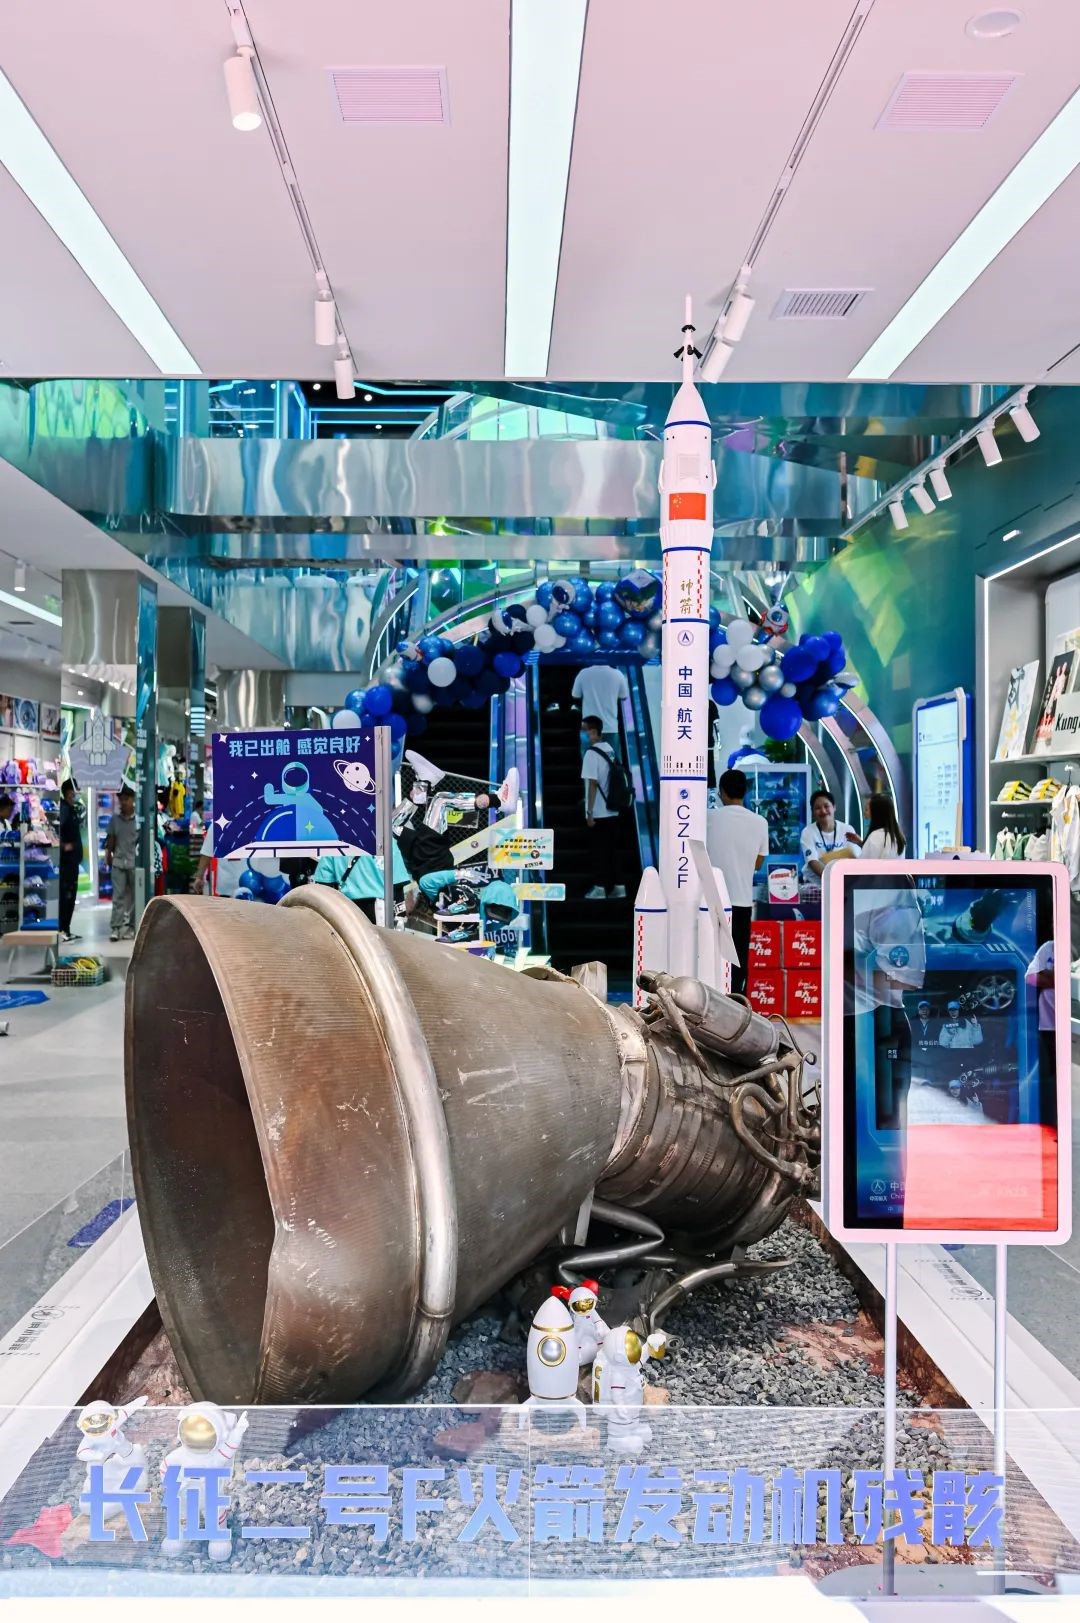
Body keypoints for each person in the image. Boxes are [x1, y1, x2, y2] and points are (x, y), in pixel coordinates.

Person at [705, 767, 769, 995]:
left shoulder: (708, 817)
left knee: (710, 955)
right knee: (738, 958)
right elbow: (758, 862)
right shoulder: (760, 822)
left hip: (711, 900)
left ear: (722, 791)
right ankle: (737, 1004)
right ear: (746, 791)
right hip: (742, 901)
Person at [581, 715, 625, 901]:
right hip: (613, 809)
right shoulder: (610, 749)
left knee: (599, 852)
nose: (582, 734)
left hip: (599, 812)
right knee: (612, 851)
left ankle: (599, 888)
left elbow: (592, 784)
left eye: (584, 730)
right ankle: (619, 886)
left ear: (593, 732)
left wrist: (589, 812)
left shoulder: (591, 754)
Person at [103, 785, 138, 941]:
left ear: (132, 800)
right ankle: (116, 928)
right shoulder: (115, 820)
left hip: (134, 862)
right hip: (118, 862)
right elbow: (111, 839)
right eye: (121, 799)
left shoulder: (138, 820)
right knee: (118, 896)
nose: (123, 802)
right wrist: (108, 855)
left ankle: (132, 926)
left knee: (135, 897)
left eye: (126, 799)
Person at [800, 790, 860, 879]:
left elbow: (853, 858)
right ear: (813, 812)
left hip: (843, 881)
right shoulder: (808, 832)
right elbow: (813, 861)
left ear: (834, 807)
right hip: (816, 884)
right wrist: (833, 879)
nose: (823, 811)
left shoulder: (847, 829)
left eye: (826, 806)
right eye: (818, 808)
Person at [571, 664, 628, 754]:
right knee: (611, 760)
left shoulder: (583, 673)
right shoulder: (618, 674)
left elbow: (575, 695)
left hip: (589, 728)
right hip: (610, 727)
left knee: (589, 759)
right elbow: (624, 696)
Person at [58, 778, 83, 942]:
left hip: (73, 862)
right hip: (66, 863)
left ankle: (66, 929)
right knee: (66, 896)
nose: (77, 793)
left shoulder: (72, 809)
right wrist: (63, 846)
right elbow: (57, 830)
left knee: (71, 896)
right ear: (68, 792)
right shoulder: (64, 810)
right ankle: (62, 929)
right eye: (75, 790)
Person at [859, 793, 906, 859]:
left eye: (867, 809)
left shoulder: (875, 837)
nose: (864, 813)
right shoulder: (899, 837)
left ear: (876, 813)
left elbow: (865, 863)